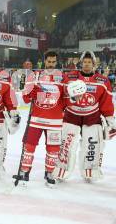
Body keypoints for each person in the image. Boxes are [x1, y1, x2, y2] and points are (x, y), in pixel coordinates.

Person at [54, 50, 115, 182]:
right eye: (85, 62)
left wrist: (110, 119)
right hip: (71, 115)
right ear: (81, 63)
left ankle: (90, 172)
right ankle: (61, 171)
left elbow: (106, 103)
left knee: (92, 145)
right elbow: (62, 97)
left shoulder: (102, 81)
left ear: (94, 64)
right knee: (66, 145)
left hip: (92, 116)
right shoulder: (69, 77)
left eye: (89, 62)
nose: (87, 64)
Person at [13, 51, 65, 186]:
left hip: (55, 120)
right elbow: (25, 98)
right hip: (36, 119)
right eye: (49, 61)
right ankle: (24, 171)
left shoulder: (63, 78)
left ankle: (49, 173)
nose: (51, 64)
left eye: (54, 62)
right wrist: (31, 92)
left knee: (53, 149)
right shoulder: (34, 76)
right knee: (28, 146)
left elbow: (66, 99)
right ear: (44, 61)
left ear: (56, 62)